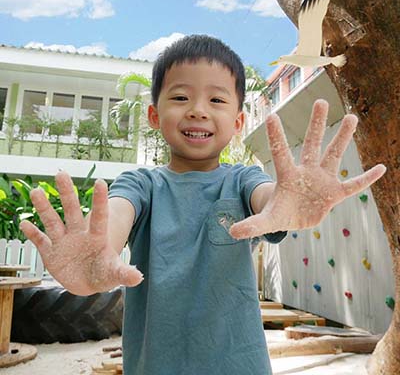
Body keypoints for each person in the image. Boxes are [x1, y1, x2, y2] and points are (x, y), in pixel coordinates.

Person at [20, 35, 386, 375]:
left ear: (238, 122)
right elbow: (116, 214)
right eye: (180, 98)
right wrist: (98, 254)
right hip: (156, 365)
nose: (197, 110)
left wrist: (286, 203)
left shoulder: (241, 180)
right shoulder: (141, 184)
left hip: (240, 364)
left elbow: (269, 201)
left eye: (217, 100)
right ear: (153, 115)